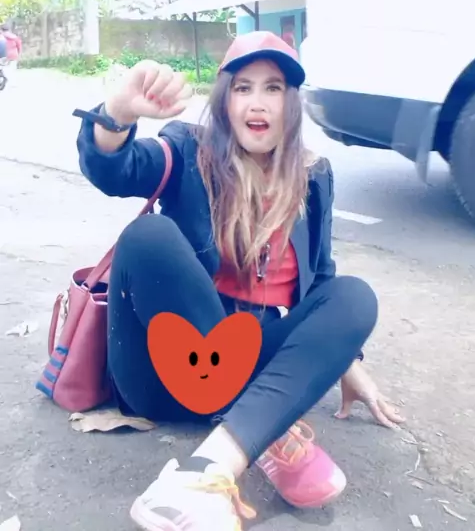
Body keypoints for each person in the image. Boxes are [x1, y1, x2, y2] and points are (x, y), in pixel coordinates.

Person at [75, 30, 404, 531]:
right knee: (149, 235)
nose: (257, 102)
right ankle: (267, 426)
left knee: (355, 297)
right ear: (225, 100)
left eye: (273, 88)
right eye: (243, 87)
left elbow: (323, 280)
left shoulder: (314, 177)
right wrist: (117, 114)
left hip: (246, 356)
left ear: (291, 103)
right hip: (161, 374)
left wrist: (345, 362)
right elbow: (115, 170)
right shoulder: (188, 149)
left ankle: (213, 464)